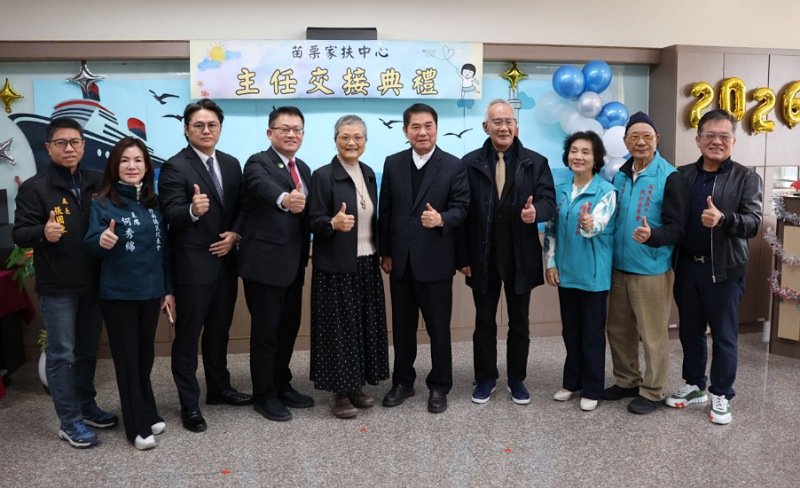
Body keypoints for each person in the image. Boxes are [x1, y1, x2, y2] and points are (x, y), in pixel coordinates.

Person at [12, 117, 118, 448]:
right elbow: (19, 233)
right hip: (58, 287)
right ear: (49, 147)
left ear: (83, 146)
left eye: (75, 142)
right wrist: (42, 232)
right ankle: (69, 421)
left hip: (94, 283)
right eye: (61, 143)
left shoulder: (98, 181)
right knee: (62, 354)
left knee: (87, 351)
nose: (69, 148)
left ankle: (86, 406)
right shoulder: (35, 188)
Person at [158, 99, 250, 434]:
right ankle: (189, 404)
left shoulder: (231, 163)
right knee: (188, 336)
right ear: (186, 129)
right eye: (199, 125)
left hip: (226, 263)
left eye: (212, 125)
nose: (206, 130)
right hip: (192, 267)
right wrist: (192, 210)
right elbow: (170, 212)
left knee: (219, 331)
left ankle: (219, 388)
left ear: (220, 128)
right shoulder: (174, 166)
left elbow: (242, 207)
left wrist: (235, 234)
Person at [666, 109, 762, 425]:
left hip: (725, 270)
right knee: (690, 331)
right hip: (687, 267)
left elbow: (753, 223)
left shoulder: (746, 178)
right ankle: (695, 385)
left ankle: (721, 393)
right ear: (698, 139)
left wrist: (724, 220)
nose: (716, 141)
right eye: (710, 135)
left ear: (733, 141)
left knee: (723, 336)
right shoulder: (681, 175)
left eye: (724, 136)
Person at [460, 99, 555, 405]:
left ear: (516, 126)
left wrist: (536, 213)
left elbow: (549, 201)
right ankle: (486, 378)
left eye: (508, 121)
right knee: (484, 322)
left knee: (520, 323)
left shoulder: (535, 162)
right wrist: (463, 257)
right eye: (497, 122)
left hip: (520, 256)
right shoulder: (470, 163)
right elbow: (462, 212)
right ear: (485, 127)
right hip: (482, 256)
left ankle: (517, 379)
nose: (503, 127)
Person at [84, 137, 174, 450]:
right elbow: (91, 243)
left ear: (147, 166)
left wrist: (167, 290)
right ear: (114, 166)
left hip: (151, 293)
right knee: (127, 361)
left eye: (137, 160)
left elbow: (164, 253)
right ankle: (136, 427)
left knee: (144, 357)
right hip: (119, 295)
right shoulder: (101, 203)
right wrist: (101, 242)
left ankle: (148, 412)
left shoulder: (153, 203)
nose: (132, 166)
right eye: (124, 160)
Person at [378, 103, 470, 414]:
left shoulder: (453, 165)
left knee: (438, 329)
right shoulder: (393, 163)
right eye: (415, 127)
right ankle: (403, 381)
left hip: (436, 261)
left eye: (428, 125)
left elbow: (462, 208)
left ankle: (440, 385)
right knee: (402, 327)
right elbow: (386, 211)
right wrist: (386, 252)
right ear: (406, 131)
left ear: (436, 128)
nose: (422, 132)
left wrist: (441, 219)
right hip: (401, 261)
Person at [604, 111, 688, 415]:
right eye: (634, 137)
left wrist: (653, 236)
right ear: (626, 141)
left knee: (652, 335)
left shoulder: (670, 177)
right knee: (618, 329)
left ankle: (653, 390)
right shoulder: (621, 174)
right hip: (618, 267)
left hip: (651, 269)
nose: (641, 142)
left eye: (647, 137)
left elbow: (678, 228)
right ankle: (627, 380)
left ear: (657, 140)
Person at [307, 115, 389, 419]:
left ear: (365, 141)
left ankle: (355, 385)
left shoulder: (368, 173)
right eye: (345, 137)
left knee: (363, 326)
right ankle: (338, 392)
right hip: (335, 266)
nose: (351, 142)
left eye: (358, 137)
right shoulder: (322, 175)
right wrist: (332, 223)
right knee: (339, 330)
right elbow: (312, 220)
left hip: (367, 262)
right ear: (335, 140)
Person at [238, 106, 315, 422]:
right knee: (266, 332)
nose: (291, 134)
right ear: (270, 133)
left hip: (294, 264)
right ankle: (264, 395)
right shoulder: (258, 162)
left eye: (297, 129)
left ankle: (282, 384)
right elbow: (261, 186)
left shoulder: (304, 168)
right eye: (285, 129)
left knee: (288, 328)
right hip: (264, 264)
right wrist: (285, 199)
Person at [544, 131, 616, 412]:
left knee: (592, 334)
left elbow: (598, 224)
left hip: (594, 275)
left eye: (585, 152)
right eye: (574, 151)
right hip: (566, 272)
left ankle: (593, 387)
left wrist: (589, 223)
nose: (578, 156)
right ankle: (571, 382)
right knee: (571, 331)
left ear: (596, 158)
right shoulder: (560, 190)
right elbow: (551, 230)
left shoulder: (606, 191)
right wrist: (551, 263)